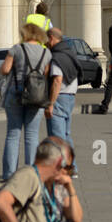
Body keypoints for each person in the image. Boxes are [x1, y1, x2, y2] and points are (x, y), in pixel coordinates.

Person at [0, 22, 52, 180]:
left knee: (13, 134)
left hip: (16, 94)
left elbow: (5, 70)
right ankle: (32, 174)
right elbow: (47, 73)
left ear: (25, 34)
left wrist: (1, 71)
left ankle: (9, 174)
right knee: (32, 135)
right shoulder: (46, 53)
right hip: (37, 96)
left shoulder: (16, 49)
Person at [44, 27, 81, 158]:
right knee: (66, 135)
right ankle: (72, 168)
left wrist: (50, 104)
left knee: (57, 138)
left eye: (46, 39)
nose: (45, 43)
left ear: (52, 38)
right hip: (70, 96)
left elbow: (57, 80)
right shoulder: (69, 52)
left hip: (59, 97)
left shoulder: (56, 56)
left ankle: (62, 169)